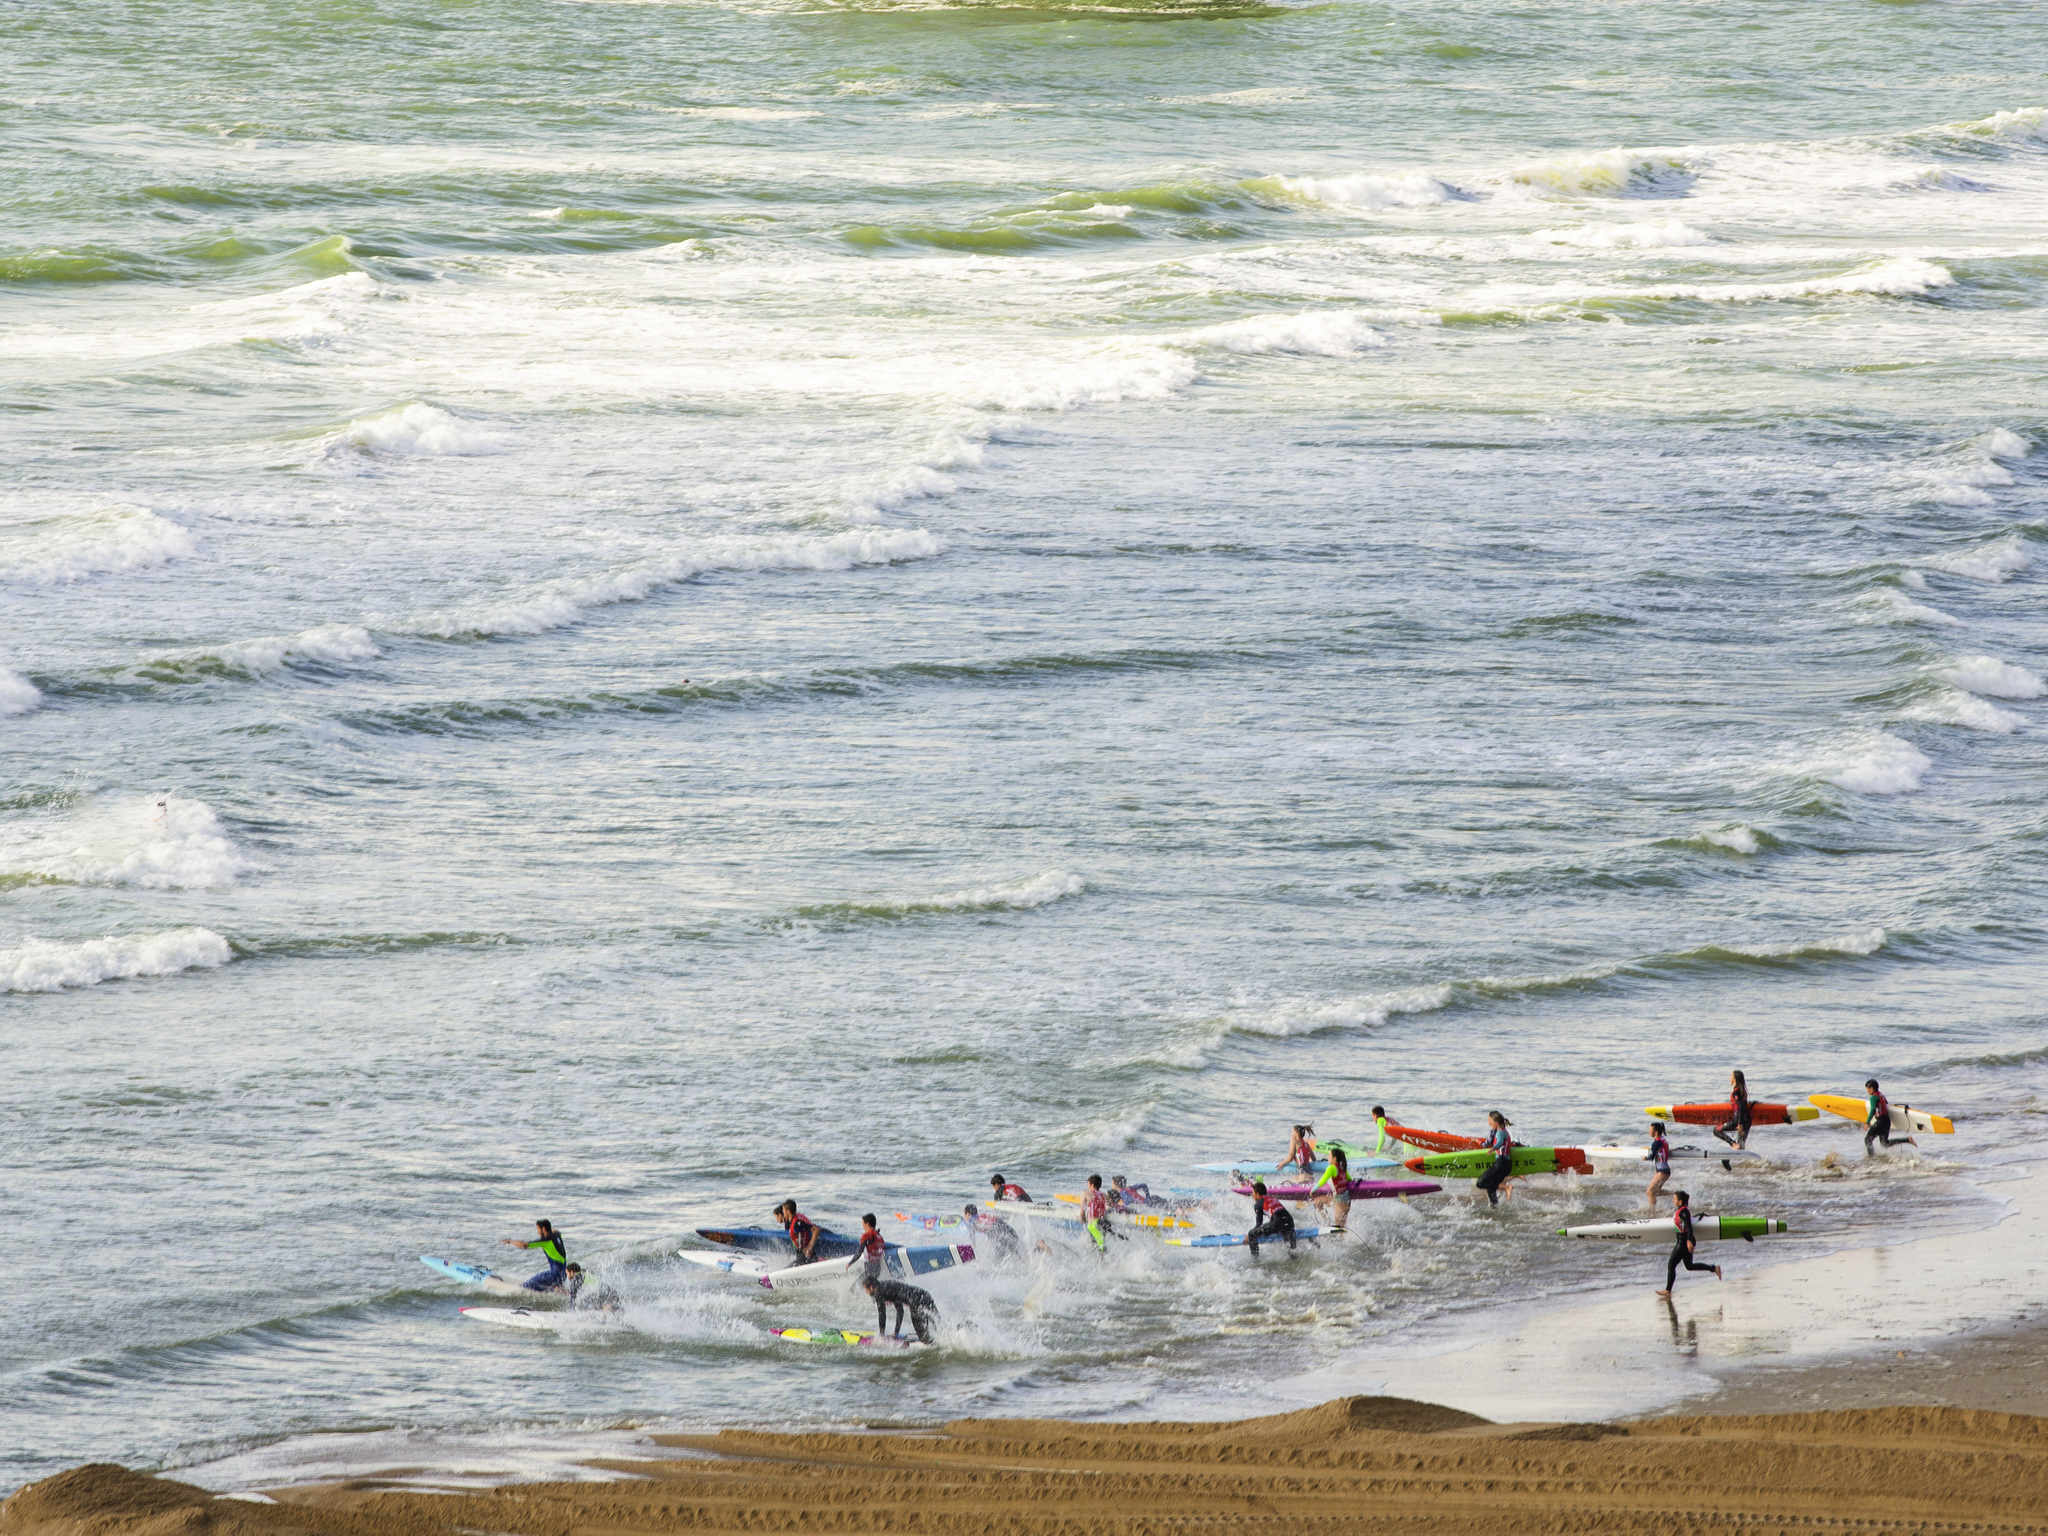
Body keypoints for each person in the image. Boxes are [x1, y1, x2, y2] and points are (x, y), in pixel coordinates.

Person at [1656, 1190, 1721, 1296]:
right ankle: (1714, 1268)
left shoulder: (1683, 1212)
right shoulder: (1683, 1210)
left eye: (1675, 1199)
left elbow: (1688, 1226)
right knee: (1689, 1266)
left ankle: (1668, 1290)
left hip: (1683, 1242)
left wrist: (1689, 1241)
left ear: (1680, 1201)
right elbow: (1686, 1222)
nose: (1673, 1200)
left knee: (1671, 1265)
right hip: (1684, 1240)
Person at [863, 1275, 938, 1343]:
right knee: (936, 1322)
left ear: (871, 1287)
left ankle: (930, 1342)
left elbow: (882, 1314)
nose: (866, 1292)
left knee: (924, 1337)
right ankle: (937, 1338)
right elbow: (900, 1311)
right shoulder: (888, 1287)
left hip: (915, 1301)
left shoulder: (878, 1292)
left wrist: (881, 1335)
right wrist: (896, 1332)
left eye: (866, 1290)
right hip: (924, 1295)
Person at [503, 1219, 567, 1291]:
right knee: (548, 1282)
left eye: (538, 1229)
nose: (538, 1232)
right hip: (563, 1275)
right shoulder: (557, 1234)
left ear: (543, 1229)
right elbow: (555, 1230)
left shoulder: (546, 1241)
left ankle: (555, 1290)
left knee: (527, 1285)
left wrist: (510, 1241)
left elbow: (524, 1245)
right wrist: (548, 1228)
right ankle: (557, 1289)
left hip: (554, 1275)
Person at [1864, 1078, 1918, 1153]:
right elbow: (1886, 1104)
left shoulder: (1873, 1097)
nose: (1867, 1091)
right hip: (1887, 1121)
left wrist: (1867, 1122)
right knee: (1884, 1143)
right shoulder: (1881, 1095)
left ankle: (1871, 1158)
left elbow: (1873, 1109)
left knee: (1867, 1140)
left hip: (1880, 1122)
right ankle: (1907, 1140)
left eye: (1868, 1089)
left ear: (1872, 1088)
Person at [1246, 1180, 1296, 1257]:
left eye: (1253, 1193)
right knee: (1289, 1245)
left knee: (1251, 1234)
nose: (1252, 1195)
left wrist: (1250, 1236)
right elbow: (1279, 1213)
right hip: (1289, 1221)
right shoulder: (1273, 1198)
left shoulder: (1258, 1204)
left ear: (1257, 1194)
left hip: (1278, 1223)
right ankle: (1293, 1256)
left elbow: (1259, 1224)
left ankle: (1255, 1259)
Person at [1475, 1111, 1515, 1207]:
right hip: (1506, 1165)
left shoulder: (1500, 1132)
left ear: (1496, 1122)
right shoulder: (1503, 1131)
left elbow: (1500, 1142)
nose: (1489, 1123)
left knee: (1481, 1183)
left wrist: (1493, 1148)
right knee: (1490, 1188)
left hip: (1501, 1163)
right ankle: (1495, 1208)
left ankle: (1506, 1187)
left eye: (1490, 1121)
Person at [1312, 1142, 1353, 1233]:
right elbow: (1350, 1180)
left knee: (1339, 1228)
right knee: (1317, 1202)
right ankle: (1326, 1223)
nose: (1327, 1157)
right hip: (1346, 1200)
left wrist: (1312, 1190)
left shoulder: (1331, 1168)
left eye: (1329, 1156)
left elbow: (1321, 1181)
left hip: (1340, 1201)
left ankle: (1344, 1244)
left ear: (1334, 1159)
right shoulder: (1342, 1168)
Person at [1713, 1070, 1754, 1151]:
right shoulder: (1743, 1091)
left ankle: (1732, 1143)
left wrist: (1739, 1124)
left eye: (1731, 1077)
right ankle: (1747, 1161)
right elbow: (1742, 1105)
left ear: (1735, 1079)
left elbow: (1740, 1107)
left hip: (1739, 1121)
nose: (1730, 1078)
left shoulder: (1736, 1091)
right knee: (1741, 1146)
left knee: (1716, 1130)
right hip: (1747, 1121)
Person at [1081, 1174, 1115, 1253]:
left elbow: (1082, 1209)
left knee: (1096, 1246)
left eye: (1088, 1183)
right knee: (1101, 1245)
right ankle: (1105, 1262)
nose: (1087, 1185)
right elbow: (1112, 1204)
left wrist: (1082, 1218)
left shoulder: (1086, 1193)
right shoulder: (1103, 1195)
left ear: (1092, 1184)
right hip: (1103, 1222)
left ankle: (1099, 1263)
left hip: (1093, 1224)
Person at [848, 1212, 887, 1280]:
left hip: (870, 1268)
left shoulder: (866, 1235)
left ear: (867, 1224)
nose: (862, 1226)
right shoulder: (880, 1237)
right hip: (878, 1268)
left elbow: (859, 1252)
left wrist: (850, 1263)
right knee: (870, 1287)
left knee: (855, 1288)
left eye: (863, 1224)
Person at [1646, 1121, 1673, 1209]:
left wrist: (1644, 1157)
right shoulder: (1662, 1140)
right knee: (1656, 1192)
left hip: (1662, 1172)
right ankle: (1675, 1194)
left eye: (1650, 1130)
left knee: (1650, 1192)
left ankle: (1652, 1212)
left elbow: (1651, 1157)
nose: (1649, 1132)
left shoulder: (1657, 1142)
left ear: (1656, 1132)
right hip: (1664, 1170)